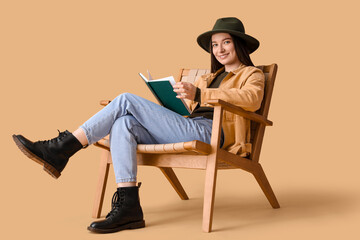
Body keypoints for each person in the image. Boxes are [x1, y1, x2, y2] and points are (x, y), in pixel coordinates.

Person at [12, 17, 265, 233]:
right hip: (189, 125)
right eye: (214, 45)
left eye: (226, 42)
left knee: (124, 100)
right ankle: (129, 206)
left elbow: (252, 100)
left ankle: (62, 148)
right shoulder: (207, 77)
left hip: (211, 134)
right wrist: (172, 102)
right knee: (123, 123)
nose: (219, 49)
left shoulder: (251, 74)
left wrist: (200, 95)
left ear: (239, 45)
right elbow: (186, 111)